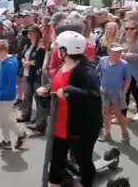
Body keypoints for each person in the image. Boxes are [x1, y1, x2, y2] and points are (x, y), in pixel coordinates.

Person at [42, 31, 102, 187]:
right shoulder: (64, 64)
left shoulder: (86, 70)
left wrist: (70, 91)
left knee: (83, 159)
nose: (56, 51)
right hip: (60, 123)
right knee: (56, 159)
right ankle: (55, 182)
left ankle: (85, 182)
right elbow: (58, 85)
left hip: (80, 127)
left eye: (58, 48)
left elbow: (93, 96)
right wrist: (47, 90)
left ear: (64, 50)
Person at [0, 40, 27, 150]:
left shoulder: (9, 64)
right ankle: (16, 136)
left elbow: (11, 83)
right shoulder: (5, 61)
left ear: (2, 51)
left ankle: (13, 138)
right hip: (4, 95)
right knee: (8, 119)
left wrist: (0, 93)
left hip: (6, 97)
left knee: (4, 120)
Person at [96, 43, 131, 142]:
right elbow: (97, 72)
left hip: (117, 93)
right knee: (106, 113)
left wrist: (123, 93)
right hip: (104, 91)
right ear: (109, 52)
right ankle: (107, 134)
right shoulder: (103, 60)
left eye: (120, 51)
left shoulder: (124, 64)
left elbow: (128, 80)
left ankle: (125, 133)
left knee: (118, 114)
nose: (118, 53)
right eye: (115, 51)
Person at [17, 25, 46, 124]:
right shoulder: (28, 44)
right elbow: (22, 56)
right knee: (27, 96)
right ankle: (26, 115)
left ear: (37, 33)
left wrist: (28, 63)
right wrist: (24, 62)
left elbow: (39, 61)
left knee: (38, 98)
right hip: (26, 73)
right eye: (29, 32)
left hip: (35, 75)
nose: (29, 34)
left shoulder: (41, 45)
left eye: (32, 32)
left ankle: (39, 120)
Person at [121, 20, 138, 120]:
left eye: (132, 28)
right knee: (125, 92)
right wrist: (122, 53)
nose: (129, 30)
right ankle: (122, 115)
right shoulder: (124, 38)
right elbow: (122, 49)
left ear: (136, 29)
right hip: (125, 68)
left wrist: (133, 55)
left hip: (136, 69)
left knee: (135, 91)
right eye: (126, 28)